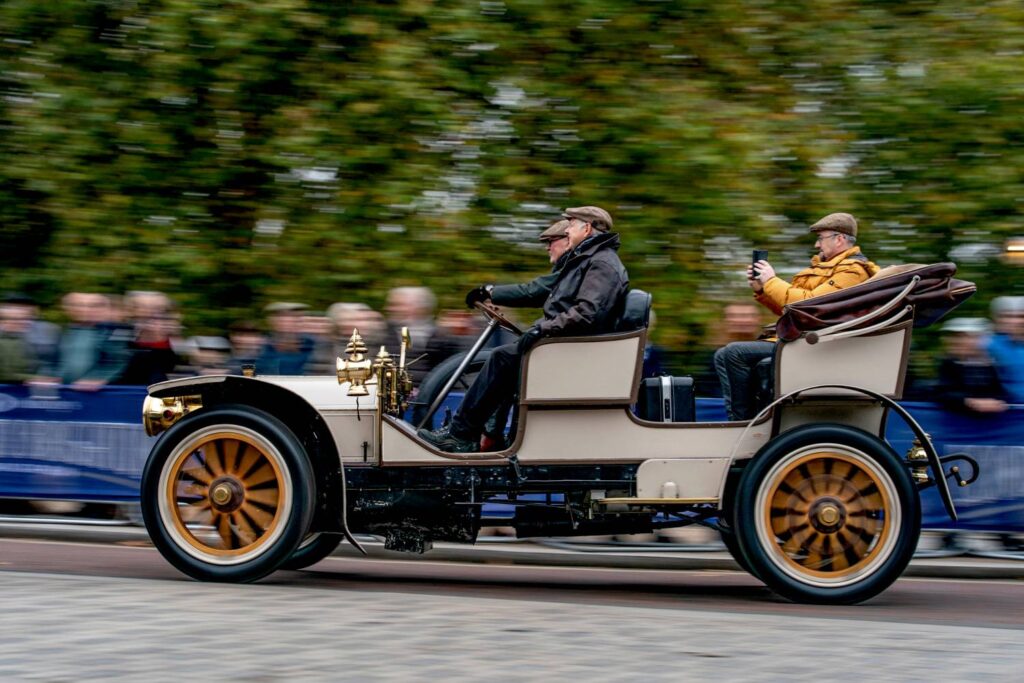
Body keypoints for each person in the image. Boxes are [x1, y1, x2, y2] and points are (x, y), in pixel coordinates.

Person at [418, 206, 629, 452]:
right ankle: (488, 435)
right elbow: (540, 292)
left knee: (503, 358)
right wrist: (491, 293)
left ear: (587, 228)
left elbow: (587, 312)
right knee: (510, 357)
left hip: (574, 350)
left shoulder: (600, 263)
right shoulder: (587, 259)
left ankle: (461, 434)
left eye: (570, 224)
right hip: (568, 345)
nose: (567, 230)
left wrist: (543, 330)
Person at [714, 212, 879, 420]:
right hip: (803, 339)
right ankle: (743, 420)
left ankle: (744, 423)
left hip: (816, 345)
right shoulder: (827, 268)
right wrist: (763, 290)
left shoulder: (853, 272)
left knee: (734, 353)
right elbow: (792, 312)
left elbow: (809, 305)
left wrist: (771, 281)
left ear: (839, 239)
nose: (817, 245)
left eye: (821, 238)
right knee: (723, 355)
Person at [935, 317, 1007, 414]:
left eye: (965, 336)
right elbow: (942, 393)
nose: (958, 341)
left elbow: (999, 392)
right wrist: (969, 402)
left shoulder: (990, 365)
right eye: (956, 337)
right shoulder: (949, 364)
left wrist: (995, 403)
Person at [256, 302, 316, 375]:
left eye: (296, 319)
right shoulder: (261, 347)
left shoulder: (312, 345)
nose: (289, 323)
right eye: (282, 319)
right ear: (273, 321)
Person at [986, 296, 1024, 404]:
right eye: (1008, 316)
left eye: (1021, 316)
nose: (1016, 321)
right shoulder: (986, 345)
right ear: (996, 319)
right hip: (1003, 413)